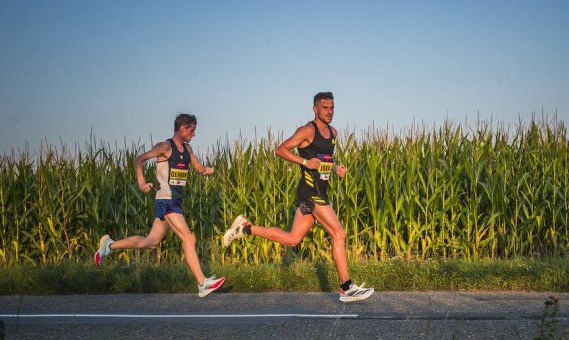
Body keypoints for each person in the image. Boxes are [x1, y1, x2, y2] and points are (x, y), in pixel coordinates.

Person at [223, 92, 373, 302]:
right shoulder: (307, 130)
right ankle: (346, 287)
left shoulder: (333, 132)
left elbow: (325, 159)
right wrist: (303, 163)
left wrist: (336, 166)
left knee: (293, 239)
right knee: (339, 233)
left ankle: (245, 228)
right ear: (315, 109)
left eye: (332, 108)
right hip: (311, 192)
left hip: (320, 190)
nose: (329, 112)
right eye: (325, 108)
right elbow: (280, 150)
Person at [94, 113, 226, 298]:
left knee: (151, 242)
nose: (194, 134)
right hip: (166, 200)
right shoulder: (165, 147)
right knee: (188, 237)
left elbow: (198, 168)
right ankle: (202, 283)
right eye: (192, 130)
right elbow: (138, 159)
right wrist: (141, 183)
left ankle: (109, 245)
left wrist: (209, 171)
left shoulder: (187, 149)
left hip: (176, 201)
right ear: (182, 128)